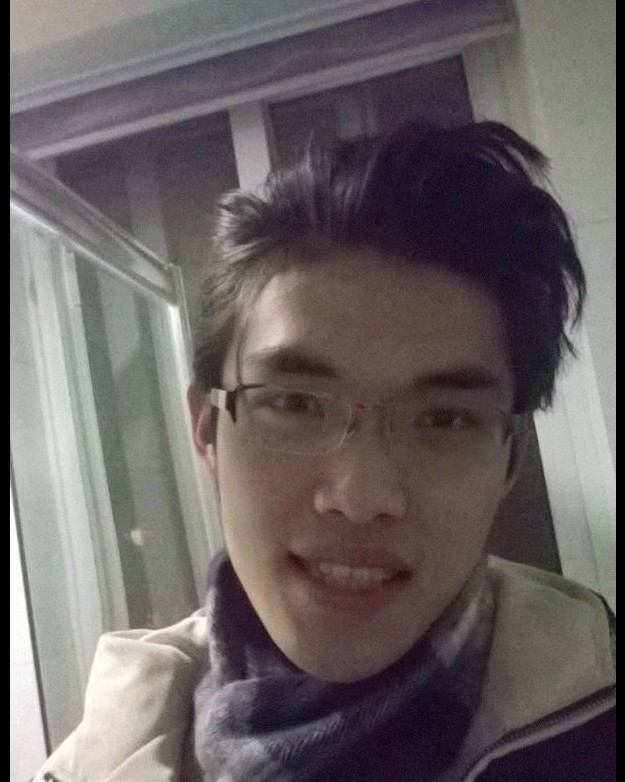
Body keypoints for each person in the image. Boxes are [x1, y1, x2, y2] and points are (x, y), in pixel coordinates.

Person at [35, 121, 615, 782]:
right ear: (207, 430)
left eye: (445, 418)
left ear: (510, 458)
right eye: (295, 404)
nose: (361, 497)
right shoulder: (95, 761)